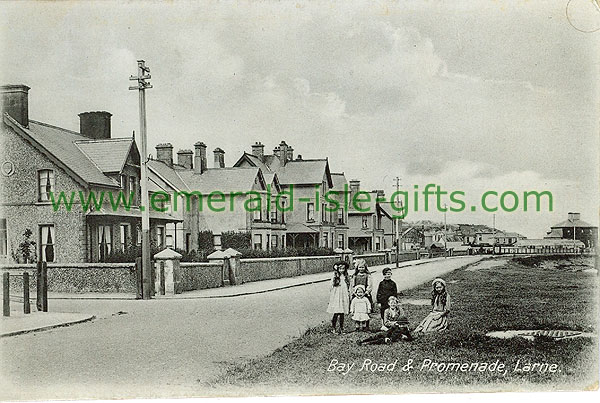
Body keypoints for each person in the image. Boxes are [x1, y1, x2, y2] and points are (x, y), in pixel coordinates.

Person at [327, 261, 351, 334]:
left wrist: (349, 292)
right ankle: (333, 327)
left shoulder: (346, 276)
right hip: (337, 295)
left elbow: (349, 285)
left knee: (342, 312)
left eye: (343, 269)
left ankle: (341, 328)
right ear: (337, 269)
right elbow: (331, 286)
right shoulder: (335, 276)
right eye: (340, 269)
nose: (341, 270)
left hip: (344, 295)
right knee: (336, 312)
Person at [351, 259, 373, 329]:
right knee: (357, 309)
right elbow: (352, 285)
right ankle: (357, 325)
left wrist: (366, 292)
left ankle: (366, 325)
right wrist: (354, 292)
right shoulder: (355, 276)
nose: (361, 269)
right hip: (357, 294)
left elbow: (370, 285)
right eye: (360, 267)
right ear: (357, 268)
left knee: (366, 310)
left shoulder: (367, 275)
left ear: (365, 267)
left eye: (363, 267)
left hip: (365, 294)